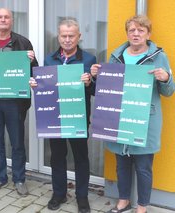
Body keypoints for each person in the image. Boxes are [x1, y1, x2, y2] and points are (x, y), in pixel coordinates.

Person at [90, 15, 175, 213]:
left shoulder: (159, 57)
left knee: (144, 167)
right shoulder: (116, 55)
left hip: (144, 120)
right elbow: (108, 87)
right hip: (119, 117)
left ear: (148, 34)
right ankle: (123, 200)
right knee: (122, 164)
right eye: (132, 30)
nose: (136, 34)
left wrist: (166, 78)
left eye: (140, 30)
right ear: (127, 33)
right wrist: (97, 77)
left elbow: (168, 92)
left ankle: (142, 207)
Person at [30, 19, 95, 212]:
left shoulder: (89, 59)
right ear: (58, 36)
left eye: (71, 36)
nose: (67, 40)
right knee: (57, 157)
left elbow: (97, 90)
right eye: (63, 36)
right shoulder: (50, 59)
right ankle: (59, 193)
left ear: (78, 37)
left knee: (81, 158)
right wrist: (36, 86)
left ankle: (82, 197)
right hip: (55, 118)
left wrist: (89, 82)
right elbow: (47, 87)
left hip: (78, 118)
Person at [0, 8, 38, 196]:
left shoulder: (23, 42)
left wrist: (31, 61)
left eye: (6, 17)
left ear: (11, 21)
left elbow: (34, 72)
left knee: (17, 142)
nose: (3, 20)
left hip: (15, 101)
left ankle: (19, 179)